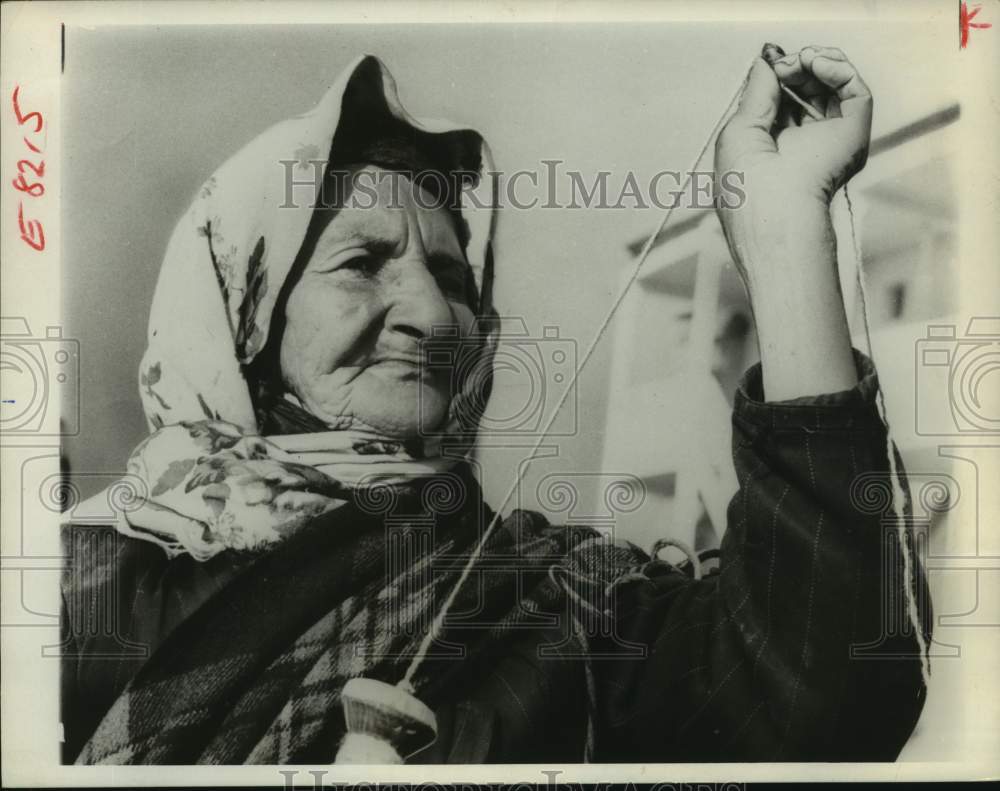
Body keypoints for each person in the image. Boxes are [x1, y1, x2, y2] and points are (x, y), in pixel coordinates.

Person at [61, 48, 931, 764]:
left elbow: (828, 690)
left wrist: (781, 231)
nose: (437, 316)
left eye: (451, 277)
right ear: (242, 322)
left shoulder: (553, 600)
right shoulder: (80, 581)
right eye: (362, 262)